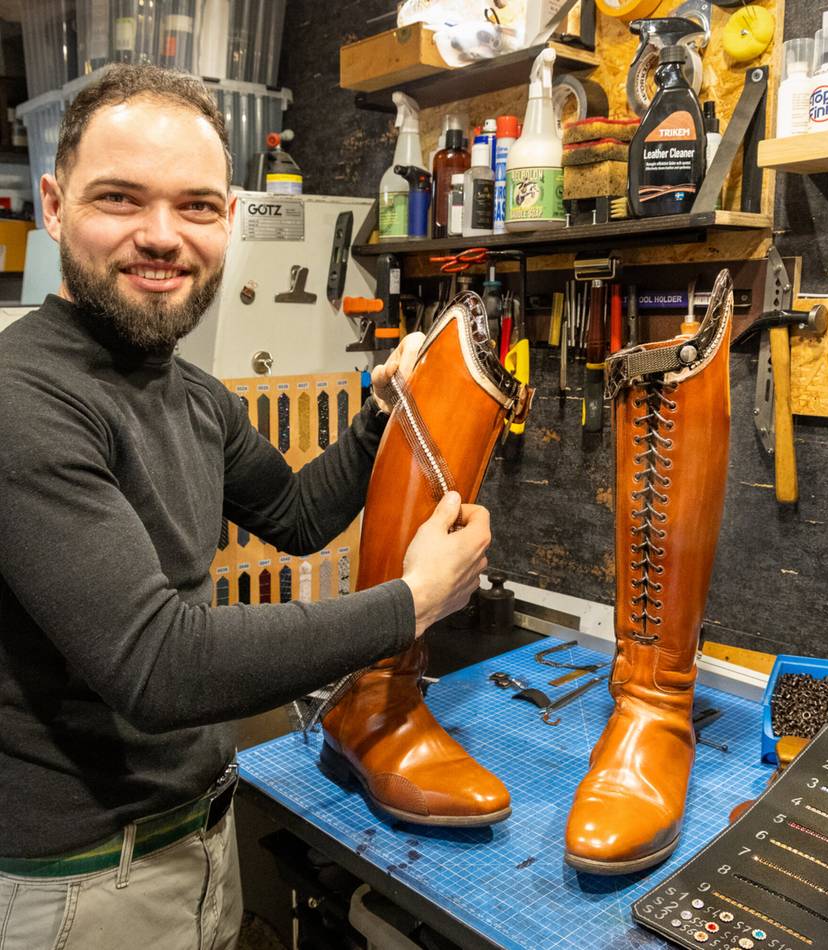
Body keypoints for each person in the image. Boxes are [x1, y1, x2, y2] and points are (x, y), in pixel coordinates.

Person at [0, 65, 491, 950]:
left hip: (194, 842)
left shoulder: (189, 393)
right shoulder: (23, 400)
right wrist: (412, 602)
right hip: (80, 888)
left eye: (194, 206)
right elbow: (157, 667)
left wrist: (379, 412)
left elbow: (299, 516)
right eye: (121, 199)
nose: (161, 237)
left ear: (229, 219)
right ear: (53, 205)